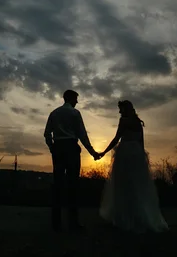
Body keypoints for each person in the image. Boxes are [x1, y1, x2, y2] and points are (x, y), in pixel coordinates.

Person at [98, 100, 169, 233]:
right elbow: (141, 141)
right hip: (137, 153)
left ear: (125, 109)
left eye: (120, 109)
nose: (119, 111)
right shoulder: (137, 122)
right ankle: (138, 216)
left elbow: (116, 138)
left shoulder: (124, 120)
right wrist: (142, 157)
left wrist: (103, 152)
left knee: (123, 185)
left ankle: (125, 218)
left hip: (125, 153)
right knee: (137, 186)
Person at [44, 89, 101, 231]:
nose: (77, 101)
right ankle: (73, 223)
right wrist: (92, 152)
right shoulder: (75, 114)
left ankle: (56, 224)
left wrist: (52, 147)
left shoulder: (54, 113)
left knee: (58, 185)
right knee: (73, 185)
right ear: (70, 98)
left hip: (58, 148)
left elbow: (47, 134)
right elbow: (82, 135)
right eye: (76, 98)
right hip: (71, 148)